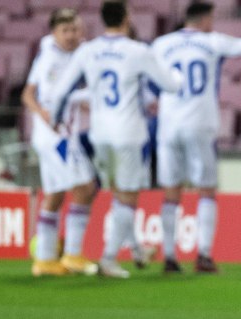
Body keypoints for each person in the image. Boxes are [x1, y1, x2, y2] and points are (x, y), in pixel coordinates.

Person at [152, 1, 241, 273]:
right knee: (206, 189)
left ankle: (170, 257)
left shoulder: (161, 44)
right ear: (205, 19)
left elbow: (150, 83)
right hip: (200, 124)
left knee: (171, 190)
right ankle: (204, 255)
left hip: (167, 126)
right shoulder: (213, 41)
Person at [49, 0, 181, 278]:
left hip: (99, 134)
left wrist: (55, 119)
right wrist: (178, 76)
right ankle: (109, 259)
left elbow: (62, 90)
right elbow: (169, 85)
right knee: (128, 195)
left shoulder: (88, 50)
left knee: (117, 191)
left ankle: (135, 249)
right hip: (129, 134)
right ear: (126, 18)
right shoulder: (137, 51)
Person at [22, 8, 99, 277]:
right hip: (57, 137)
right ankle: (73, 254)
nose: (71, 35)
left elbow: (28, 94)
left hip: (59, 134)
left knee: (55, 193)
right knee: (85, 188)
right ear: (54, 33)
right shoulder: (52, 60)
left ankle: (44, 260)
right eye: (65, 30)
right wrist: (43, 114)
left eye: (75, 29)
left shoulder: (60, 52)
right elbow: (32, 96)